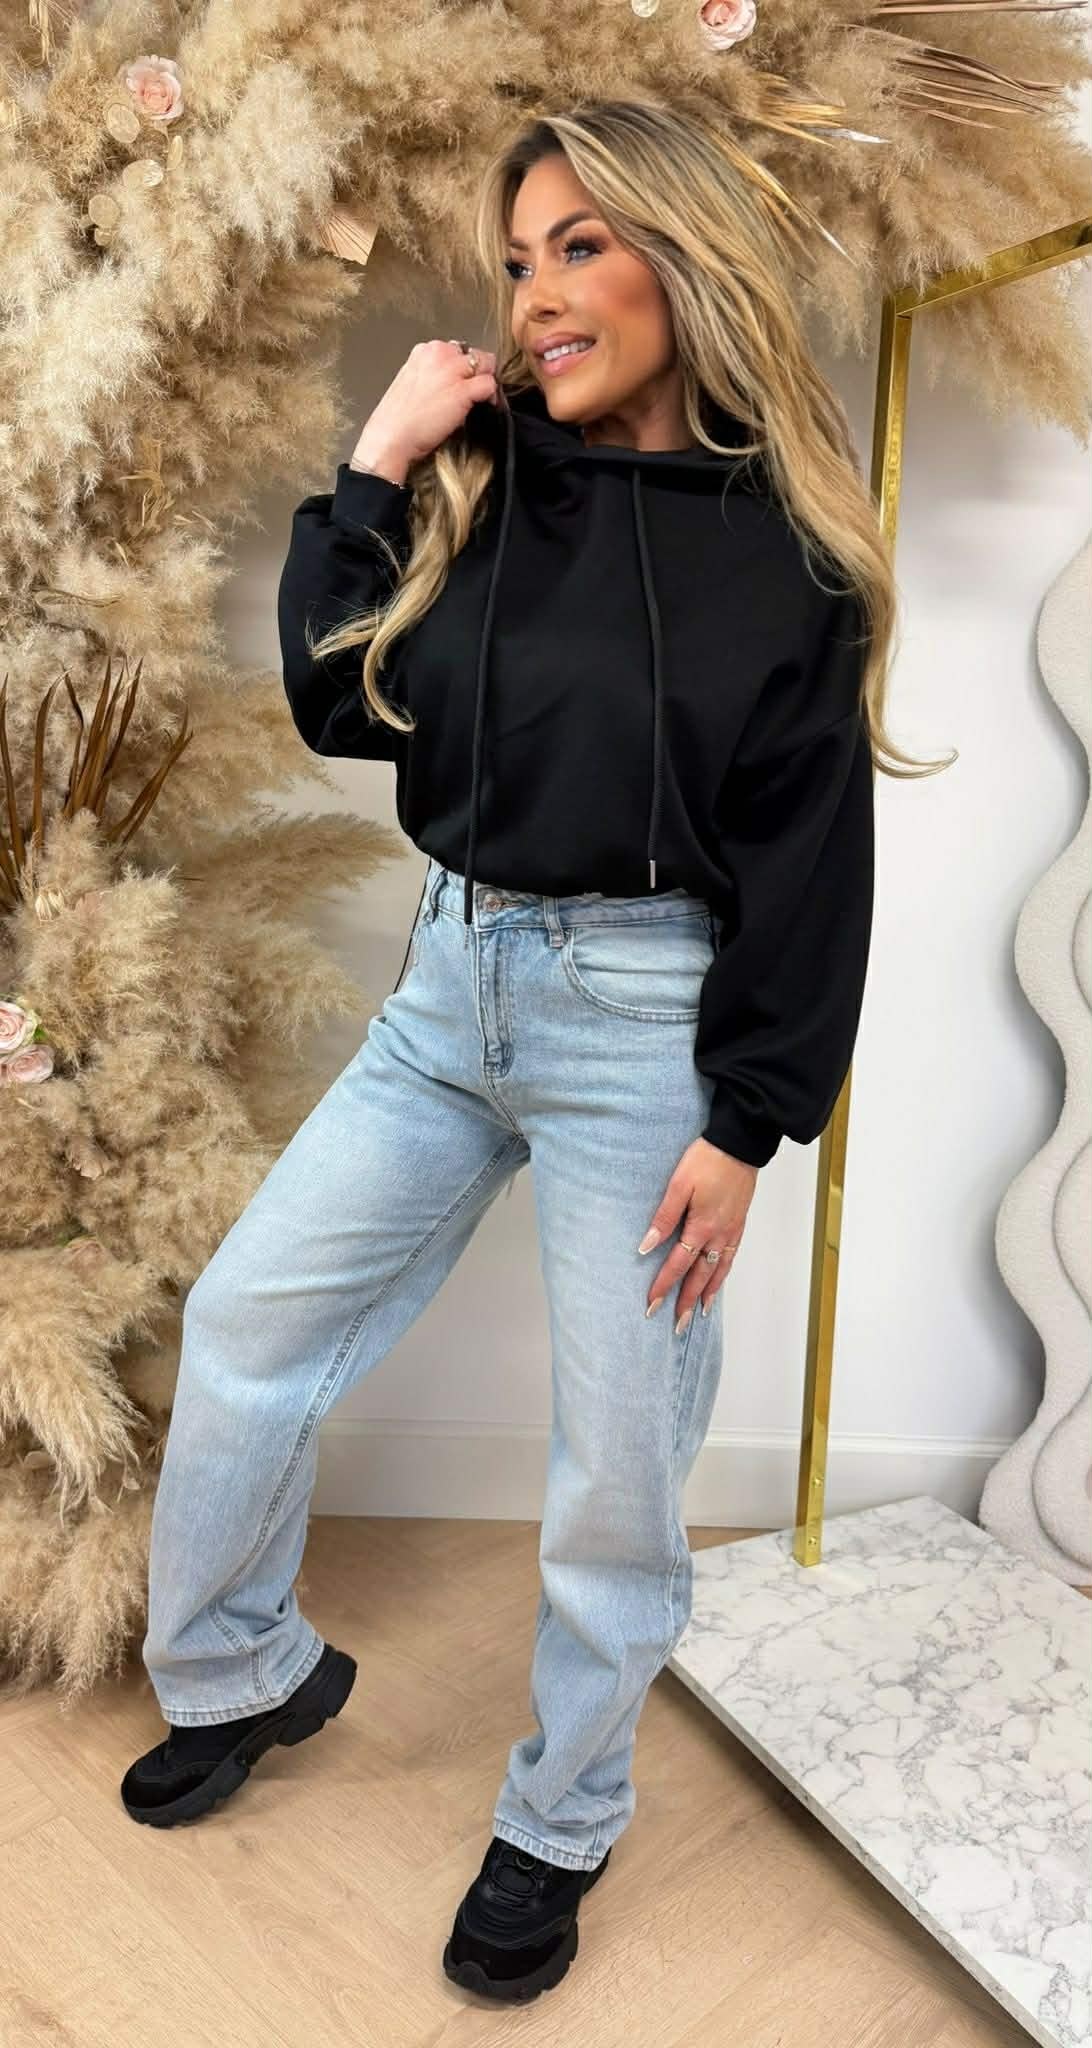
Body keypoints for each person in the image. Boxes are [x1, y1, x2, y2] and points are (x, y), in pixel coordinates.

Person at [120, 94, 924, 2005]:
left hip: (645, 1031)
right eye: (516, 260)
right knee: (246, 1329)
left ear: (682, 258)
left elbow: (815, 863)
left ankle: (563, 1816)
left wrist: (748, 1124)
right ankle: (243, 1668)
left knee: (615, 1471)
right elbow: (341, 702)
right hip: (446, 990)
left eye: (578, 246)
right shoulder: (493, 483)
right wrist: (378, 463)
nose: (537, 294)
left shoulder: (791, 562)